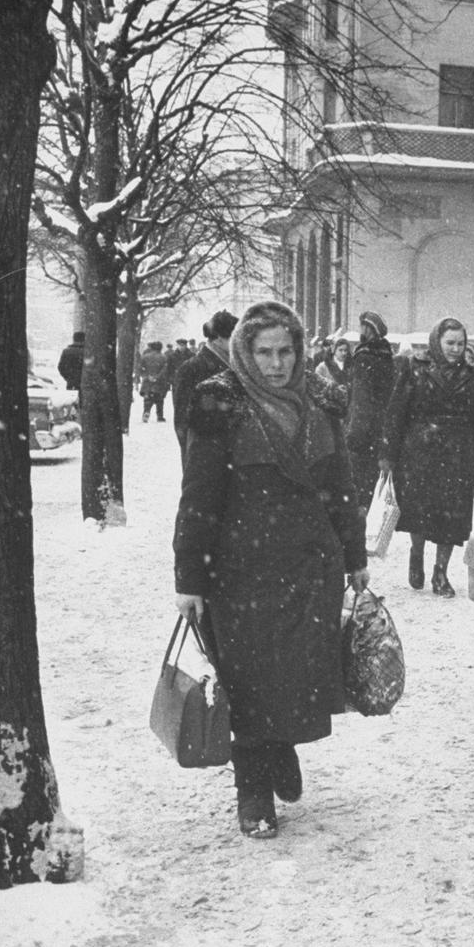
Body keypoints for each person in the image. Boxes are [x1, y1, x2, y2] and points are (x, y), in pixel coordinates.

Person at [174, 301, 368, 839]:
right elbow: (199, 497)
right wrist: (189, 578)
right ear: (245, 352)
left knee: (299, 674)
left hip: (311, 569)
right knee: (250, 682)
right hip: (242, 572)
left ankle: (281, 746)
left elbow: (342, 487)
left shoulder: (322, 402)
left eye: (286, 351)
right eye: (265, 352)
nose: (277, 364)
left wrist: (355, 556)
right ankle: (253, 788)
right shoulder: (220, 404)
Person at [382, 316, 474, 597]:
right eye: (450, 343)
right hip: (420, 451)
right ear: (436, 342)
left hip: (458, 453)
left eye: (460, 343)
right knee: (419, 511)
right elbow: (397, 413)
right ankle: (417, 553)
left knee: (452, 518)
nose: (455, 349)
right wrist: (388, 454)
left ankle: (440, 573)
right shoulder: (414, 368)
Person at [172, 310, 238, 467]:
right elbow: (183, 421)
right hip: (205, 458)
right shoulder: (192, 368)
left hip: (232, 454)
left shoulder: (234, 365)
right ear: (219, 338)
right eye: (235, 338)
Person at [346, 311, 396, 508]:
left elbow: (361, 399)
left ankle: (354, 531)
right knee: (367, 487)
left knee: (353, 488)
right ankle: (360, 519)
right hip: (380, 430)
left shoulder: (364, 357)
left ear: (367, 329)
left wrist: (354, 434)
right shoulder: (387, 356)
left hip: (362, 431)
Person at [138, 341, 170, 422]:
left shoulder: (144, 357)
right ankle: (160, 416)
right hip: (159, 382)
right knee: (159, 399)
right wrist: (157, 377)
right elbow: (165, 370)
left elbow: (140, 369)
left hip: (147, 381)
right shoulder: (164, 357)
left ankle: (146, 412)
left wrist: (147, 376)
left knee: (147, 398)